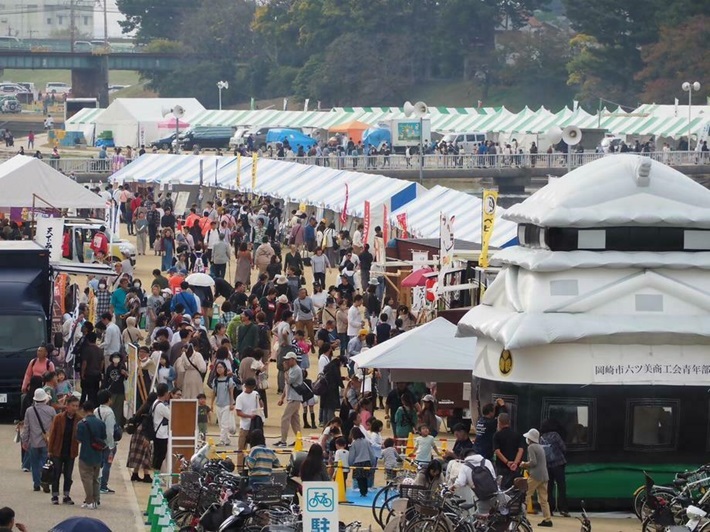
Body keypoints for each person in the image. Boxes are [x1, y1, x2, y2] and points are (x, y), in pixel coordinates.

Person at [21, 388, 56, 492]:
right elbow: (55, 426)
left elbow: (26, 427)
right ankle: (44, 480)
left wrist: (24, 441)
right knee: (45, 462)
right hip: (47, 441)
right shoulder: (51, 410)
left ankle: (36, 483)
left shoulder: (29, 410)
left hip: (33, 441)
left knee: (34, 463)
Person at [47, 393, 79, 503]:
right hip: (58, 450)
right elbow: (52, 435)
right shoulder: (58, 418)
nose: (75, 408)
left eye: (76, 406)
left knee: (68, 475)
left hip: (71, 451)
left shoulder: (78, 419)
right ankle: (55, 495)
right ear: (67, 406)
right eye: (73, 405)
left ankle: (66, 495)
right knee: (56, 474)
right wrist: (50, 450)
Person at [76, 401, 106, 509]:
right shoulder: (101, 423)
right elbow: (103, 437)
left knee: (86, 478)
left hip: (85, 454)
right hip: (98, 454)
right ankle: (96, 499)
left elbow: (79, 440)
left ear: (83, 410)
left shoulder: (81, 424)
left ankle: (89, 500)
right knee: (95, 478)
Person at [520, 428, 552, 527]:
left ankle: (522, 517)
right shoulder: (540, 447)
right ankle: (547, 519)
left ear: (530, 438)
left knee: (526, 495)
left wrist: (524, 464)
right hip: (544, 476)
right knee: (543, 499)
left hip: (535, 475)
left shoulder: (531, 447)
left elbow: (533, 462)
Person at [452, 448, 498, 512]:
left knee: (481, 519)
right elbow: (494, 477)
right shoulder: (487, 462)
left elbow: (460, 482)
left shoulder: (465, 467)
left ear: (464, 457)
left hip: (481, 498)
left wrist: (452, 487)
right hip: (495, 495)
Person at [540, 420, 569, 517]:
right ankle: (563, 509)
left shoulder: (542, 437)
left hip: (548, 465)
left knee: (549, 488)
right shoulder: (555, 435)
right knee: (561, 487)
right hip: (559, 464)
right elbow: (563, 447)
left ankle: (550, 510)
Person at [126, 391, 156, 483]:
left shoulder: (144, 406)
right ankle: (146, 475)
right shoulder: (150, 409)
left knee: (137, 453)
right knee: (145, 453)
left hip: (137, 431)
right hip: (144, 432)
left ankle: (135, 474)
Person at [275, 352, 303, 447]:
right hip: (292, 397)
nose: (286, 361)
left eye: (288, 360)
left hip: (295, 398)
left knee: (285, 418)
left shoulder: (296, 370)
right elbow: (287, 386)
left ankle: (283, 440)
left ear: (293, 360)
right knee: (294, 420)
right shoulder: (291, 369)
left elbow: (288, 381)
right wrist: (282, 398)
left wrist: (285, 370)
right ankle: (299, 439)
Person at [235, 378, 263, 467]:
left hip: (255, 425)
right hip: (245, 426)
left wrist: (260, 403)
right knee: (241, 448)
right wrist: (249, 416)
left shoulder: (256, 394)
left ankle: (254, 466)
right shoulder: (240, 397)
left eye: (252, 388)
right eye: (249, 387)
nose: (250, 389)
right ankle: (240, 467)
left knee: (256, 448)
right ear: (245, 386)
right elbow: (238, 412)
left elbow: (261, 404)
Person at [493, 412, 524, 489]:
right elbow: (520, 450)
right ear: (509, 422)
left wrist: (507, 462)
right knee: (515, 488)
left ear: (499, 423)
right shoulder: (516, 434)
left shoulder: (497, 435)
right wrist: (515, 463)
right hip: (515, 467)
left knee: (502, 488)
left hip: (502, 466)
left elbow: (497, 451)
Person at [95, 390, 117, 495]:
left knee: (99, 464)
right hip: (107, 443)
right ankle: (103, 485)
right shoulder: (109, 412)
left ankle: (97, 483)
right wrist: (111, 445)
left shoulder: (96, 410)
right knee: (107, 464)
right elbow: (109, 431)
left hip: (98, 442)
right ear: (108, 399)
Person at [211, 361, 236, 447]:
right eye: (217, 367)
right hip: (218, 404)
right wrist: (211, 404)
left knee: (225, 423)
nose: (219, 369)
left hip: (226, 404)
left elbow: (231, 392)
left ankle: (222, 440)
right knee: (221, 424)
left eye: (221, 367)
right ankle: (226, 440)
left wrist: (231, 403)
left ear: (225, 368)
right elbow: (214, 393)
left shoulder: (229, 380)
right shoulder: (215, 381)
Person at [103, 353, 127, 426]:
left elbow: (127, 377)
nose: (116, 359)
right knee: (111, 407)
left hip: (120, 390)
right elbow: (106, 379)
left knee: (119, 408)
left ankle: (118, 424)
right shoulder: (109, 368)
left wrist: (125, 373)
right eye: (114, 357)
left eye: (117, 357)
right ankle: (111, 423)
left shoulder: (122, 367)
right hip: (111, 390)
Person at [151, 383, 171, 472]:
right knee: (160, 456)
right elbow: (171, 416)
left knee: (157, 456)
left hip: (157, 432)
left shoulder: (155, 402)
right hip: (161, 434)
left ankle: (156, 475)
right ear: (166, 393)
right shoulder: (161, 406)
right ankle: (156, 476)